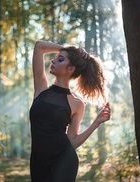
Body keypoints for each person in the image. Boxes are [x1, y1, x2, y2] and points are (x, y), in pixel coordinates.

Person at [29, 40, 111, 182]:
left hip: (63, 161)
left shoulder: (76, 104)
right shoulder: (41, 89)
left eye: (60, 59)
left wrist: (96, 122)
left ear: (70, 69)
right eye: (56, 57)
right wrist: (67, 50)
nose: (54, 60)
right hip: (38, 162)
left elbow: (72, 141)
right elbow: (39, 47)